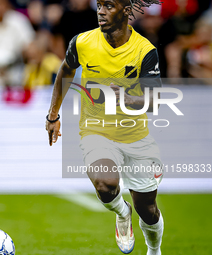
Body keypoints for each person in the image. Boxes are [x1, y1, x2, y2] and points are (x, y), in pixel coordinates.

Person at [46, 0, 164, 254]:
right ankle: (122, 212)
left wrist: (126, 97)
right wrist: (52, 115)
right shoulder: (82, 42)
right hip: (95, 130)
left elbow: (154, 100)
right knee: (105, 182)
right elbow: (65, 71)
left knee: (148, 210)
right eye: (99, 5)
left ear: (125, 10)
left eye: (109, 5)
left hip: (135, 137)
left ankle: (154, 250)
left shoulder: (145, 50)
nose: (101, 11)